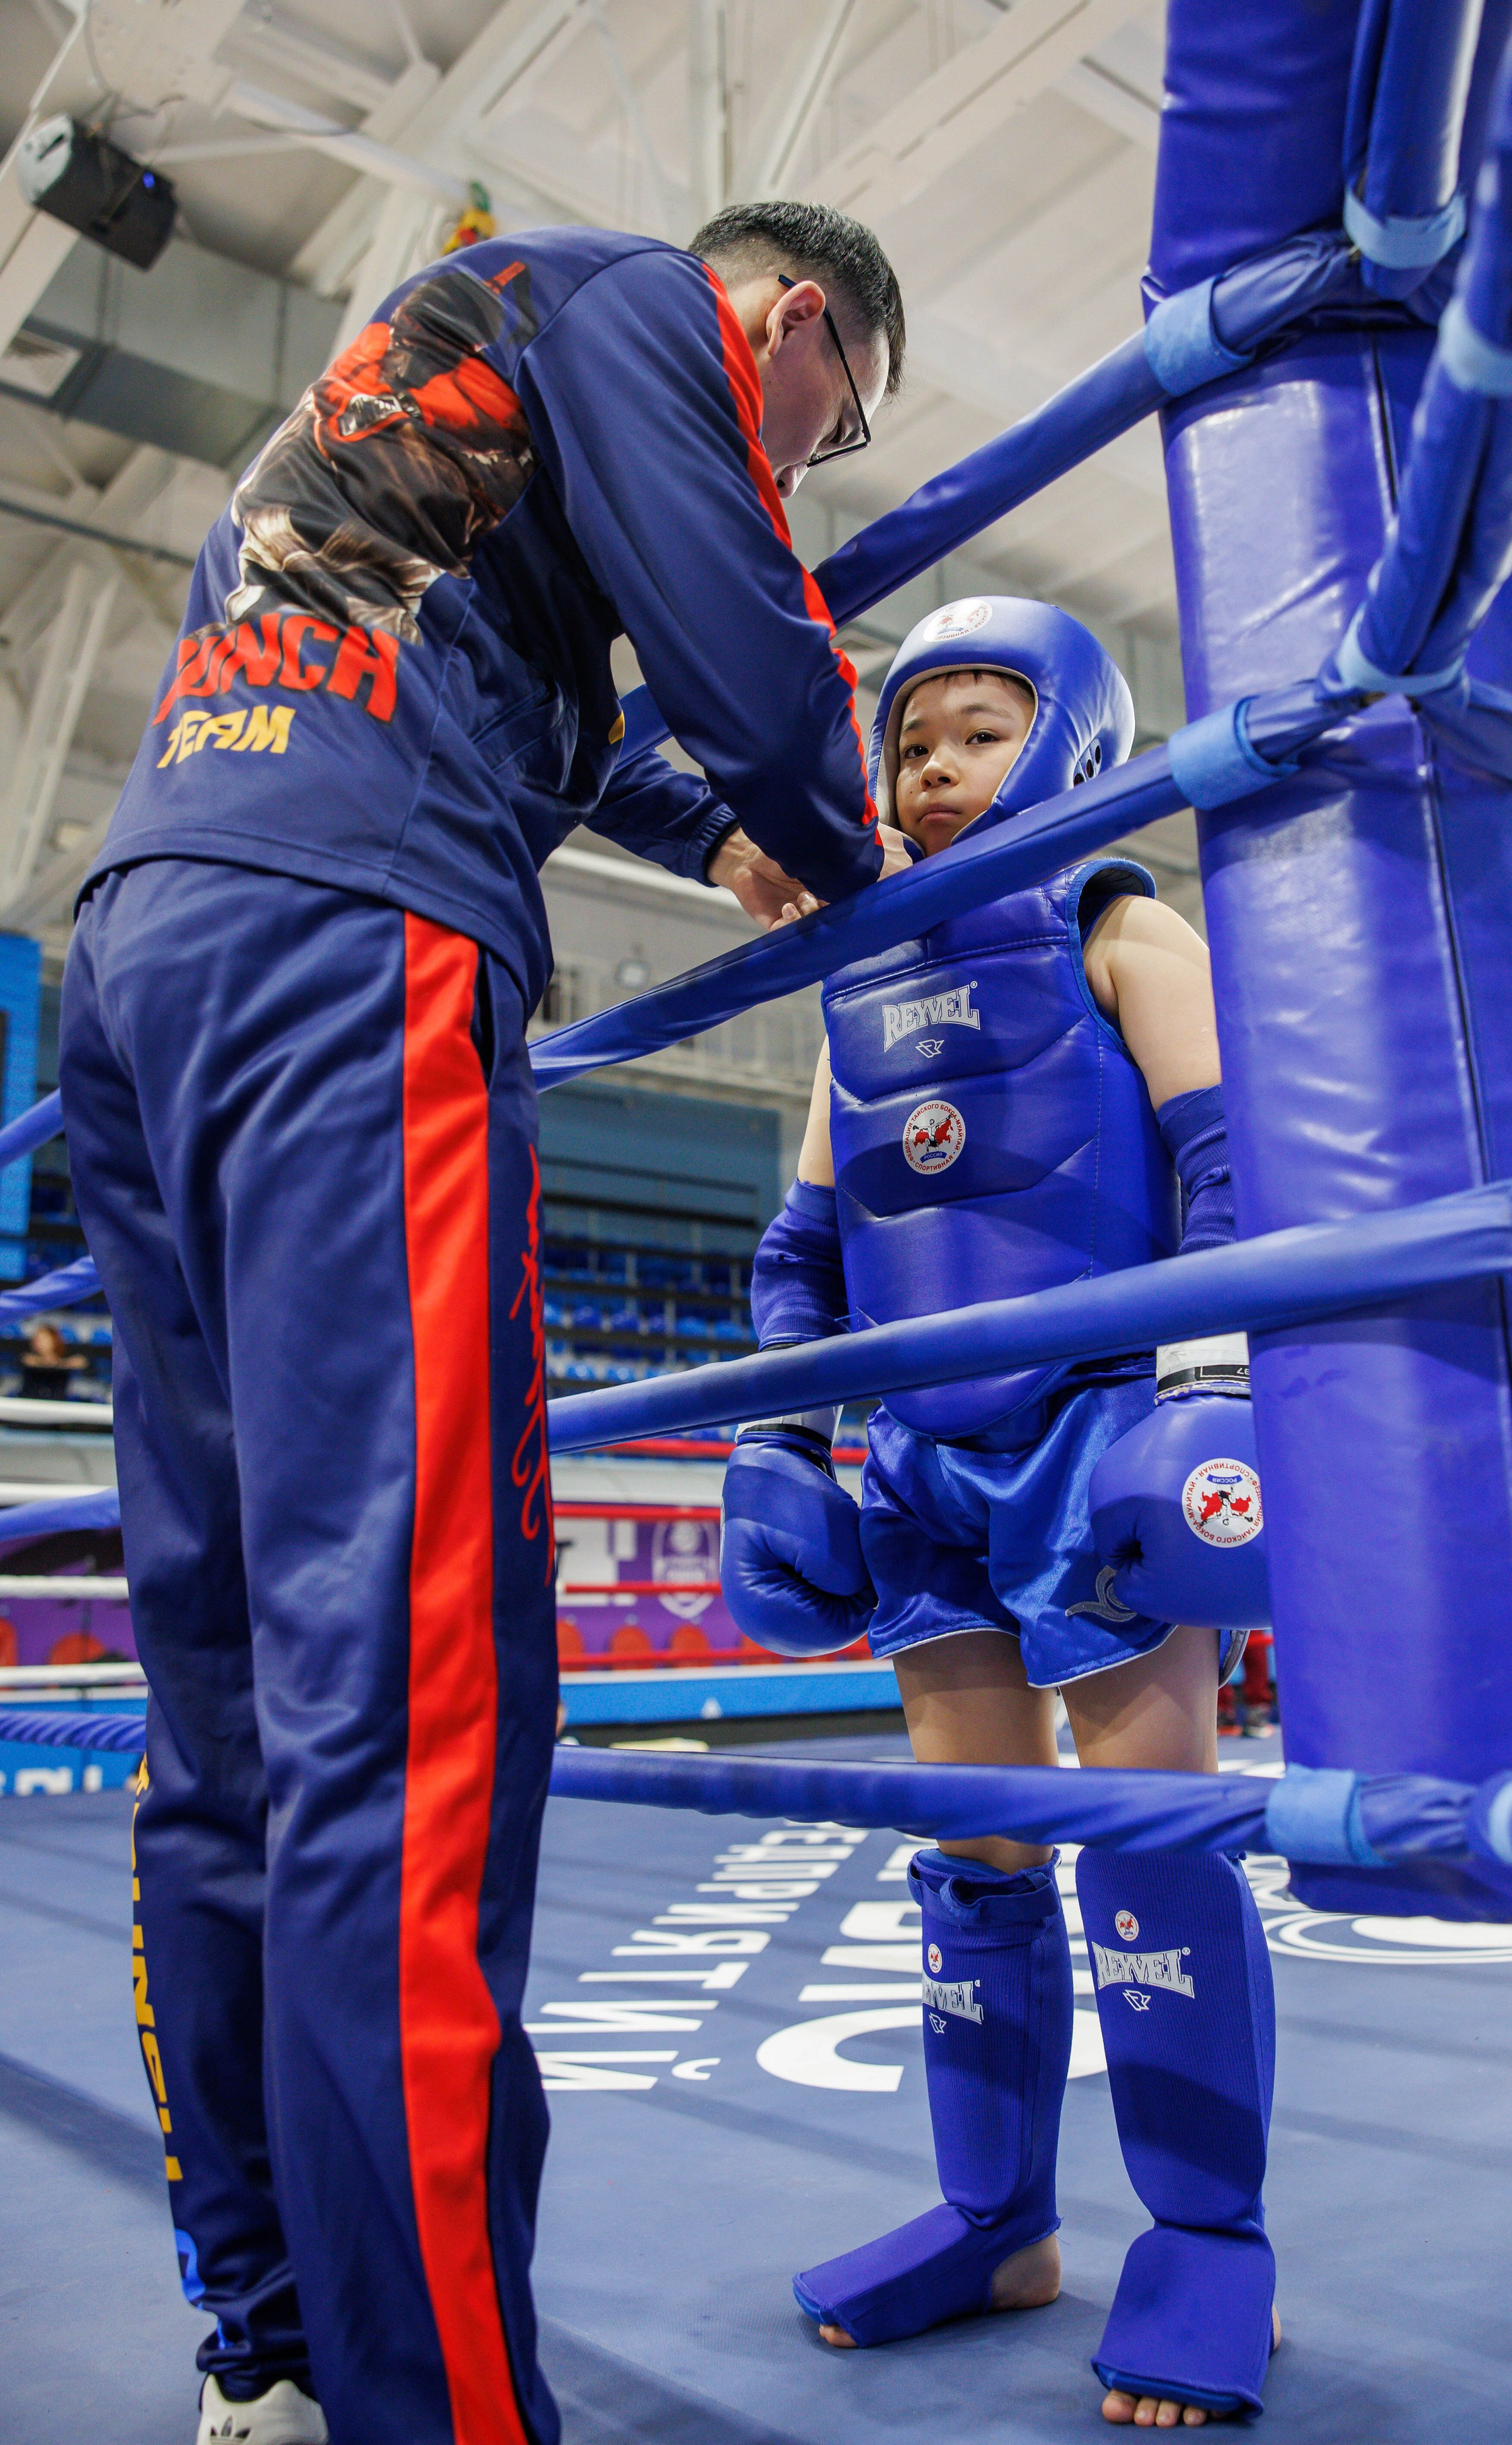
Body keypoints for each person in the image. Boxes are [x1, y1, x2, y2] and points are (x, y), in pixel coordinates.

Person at [56, 199, 912, 2445]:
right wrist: (828, 833)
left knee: (226, 1716)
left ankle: (265, 2350)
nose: (797, 466)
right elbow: (748, 656)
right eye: (823, 426)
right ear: (796, 323)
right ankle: (437, 2410)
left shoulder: (445, 360)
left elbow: (505, 647)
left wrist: (689, 830)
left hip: (152, 937)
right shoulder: (651, 307)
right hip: (354, 949)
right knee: (409, 1713)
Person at [721, 599, 1279, 2428]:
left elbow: (1225, 1166)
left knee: (1146, 1832)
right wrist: (784, 1444)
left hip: (1096, 1429)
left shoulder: (1124, 923)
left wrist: (1198, 1391)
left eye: (981, 730)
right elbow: (805, 1249)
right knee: (977, 1848)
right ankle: (997, 2218)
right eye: (916, 741)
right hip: (923, 1465)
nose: (939, 767)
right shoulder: (856, 979)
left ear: (1073, 745)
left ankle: (1208, 2243)